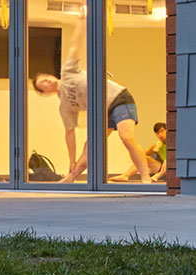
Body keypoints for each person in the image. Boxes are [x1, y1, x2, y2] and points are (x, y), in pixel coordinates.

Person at [32, 14, 151, 185]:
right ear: (44, 92)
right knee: (90, 146)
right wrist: (71, 160)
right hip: (102, 111)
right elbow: (69, 133)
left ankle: (145, 177)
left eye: (46, 76)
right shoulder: (64, 106)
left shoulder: (67, 72)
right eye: (42, 82)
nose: (47, 79)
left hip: (118, 99)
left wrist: (81, 23)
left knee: (126, 137)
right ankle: (71, 178)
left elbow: (75, 46)